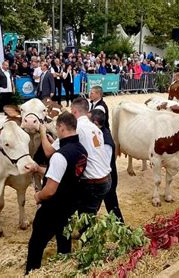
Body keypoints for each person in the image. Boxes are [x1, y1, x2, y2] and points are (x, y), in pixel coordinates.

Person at [25, 112, 88, 274]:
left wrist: (38, 196)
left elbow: (50, 190)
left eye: (57, 128)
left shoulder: (60, 156)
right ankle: (64, 265)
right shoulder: (81, 149)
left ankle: (32, 272)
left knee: (37, 242)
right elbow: (63, 173)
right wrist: (39, 169)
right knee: (64, 234)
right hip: (71, 203)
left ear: (61, 127)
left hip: (54, 206)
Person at [40, 98, 111, 215]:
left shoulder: (75, 127)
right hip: (106, 178)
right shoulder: (94, 127)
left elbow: (48, 151)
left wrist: (42, 132)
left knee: (84, 218)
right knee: (89, 214)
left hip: (92, 181)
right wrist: (55, 141)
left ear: (74, 112)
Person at [89, 109, 124, 222]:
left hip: (105, 178)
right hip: (102, 177)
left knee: (110, 204)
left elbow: (104, 162)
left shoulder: (106, 140)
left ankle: (121, 228)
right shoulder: (98, 133)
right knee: (100, 205)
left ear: (95, 123)